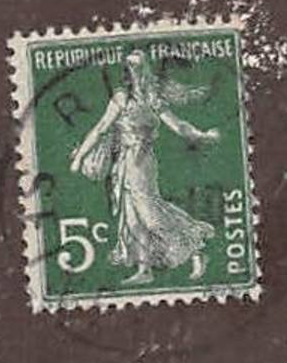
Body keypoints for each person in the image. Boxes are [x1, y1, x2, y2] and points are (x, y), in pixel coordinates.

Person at [69, 50, 220, 286]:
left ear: (147, 68)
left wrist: (202, 135)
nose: (136, 71)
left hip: (142, 162)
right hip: (123, 163)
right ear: (127, 71)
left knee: (151, 215)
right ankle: (144, 269)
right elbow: (99, 129)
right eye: (131, 67)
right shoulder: (121, 98)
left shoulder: (153, 98)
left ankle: (197, 250)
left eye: (140, 66)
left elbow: (178, 126)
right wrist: (80, 157)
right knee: (132, 219)